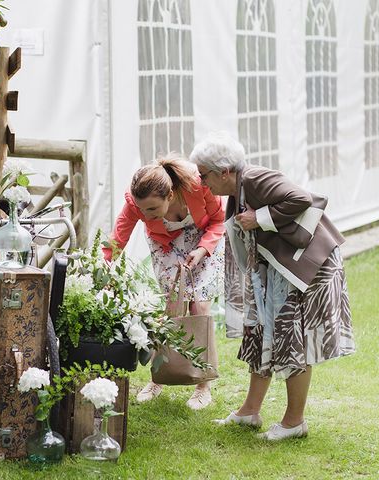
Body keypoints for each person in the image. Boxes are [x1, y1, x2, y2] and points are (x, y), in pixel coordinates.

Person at [190, 131, 355, 440]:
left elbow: (301, 199)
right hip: (279, 268)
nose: (203, 183)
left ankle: (294, 422)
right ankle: (249, 412)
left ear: (224, 170)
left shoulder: (254, 178)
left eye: (204, 175)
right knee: (260, 333)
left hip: (310, 266)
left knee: (293, 337)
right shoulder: (237, 187)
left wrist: (260, 217)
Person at [103, 154, 225, 410]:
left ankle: (203, 384)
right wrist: (103, 269)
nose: (144, 214)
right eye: (141, 209)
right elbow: (118, 239)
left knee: (199, 308)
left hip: (205, 240)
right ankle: (159, 377)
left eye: (151, 209)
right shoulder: (136, 203)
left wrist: (202, 249)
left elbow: (218, 220)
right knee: (171, 309)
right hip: (165, 242)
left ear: (170, 196)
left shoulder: (198, 185)